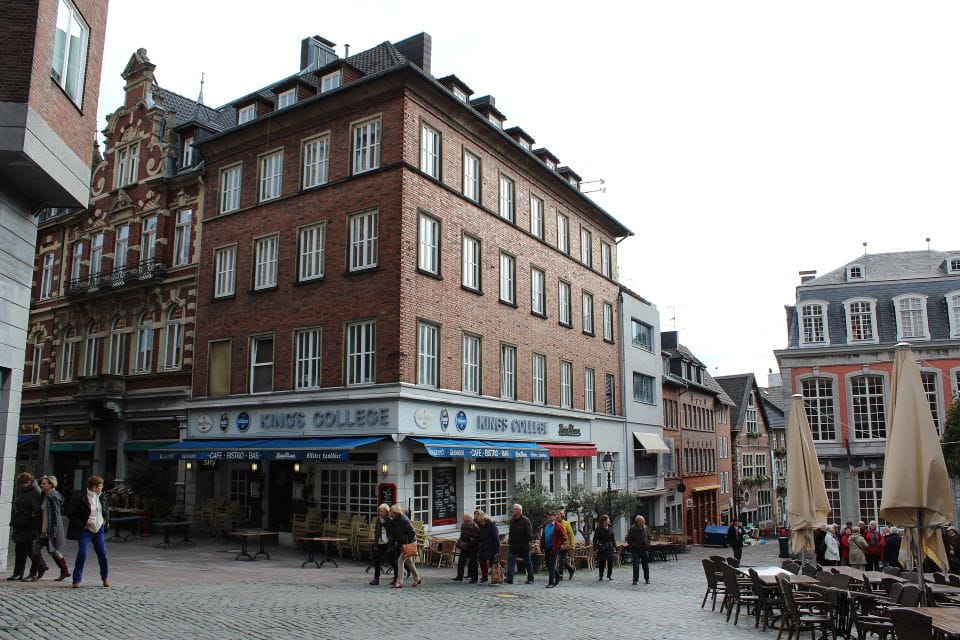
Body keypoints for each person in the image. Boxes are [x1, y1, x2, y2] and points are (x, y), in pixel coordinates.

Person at [66, 475, 110, 588]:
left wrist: (105, 521)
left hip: (99, 528)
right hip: (85, 529)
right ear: (94, 487)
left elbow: (105, 510)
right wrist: (82, 525)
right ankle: (77, 580)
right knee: (83, 553)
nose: (102, 487)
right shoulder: (80, 497)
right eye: (100, 486)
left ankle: (105, 578)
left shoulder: (101, 497)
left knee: (102, 553)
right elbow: (70, 513)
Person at [25, 475, 70, 582]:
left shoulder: (53, 496)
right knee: (36, 549)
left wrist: (53, 531)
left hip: (50, 530)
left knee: (54, 551)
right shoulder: (44, 495)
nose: (42, 485)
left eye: (44, 484)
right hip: (43, 529)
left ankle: (64, 571)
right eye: (42, 483)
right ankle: (33, 574)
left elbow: (55, 515)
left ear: (51, 485)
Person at [7, 472, 46, 581]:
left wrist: (31, 517)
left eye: (22, 484)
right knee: (29, 548)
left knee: (20, 547)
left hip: (29, 524)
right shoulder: (24, 491)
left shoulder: (35, 491)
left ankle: (18, 573)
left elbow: (38, 510)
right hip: (22, 523)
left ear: (28, 482)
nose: (20, 486)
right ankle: (42, 566)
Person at [388, 504, 419, 588]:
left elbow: (412, 533)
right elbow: (394, 533)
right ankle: (417, 578)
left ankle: (399, 582)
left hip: (409, 543)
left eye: (391, 512)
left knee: (400, 561)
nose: (390, 513)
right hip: (403, 543)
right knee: (410, 563)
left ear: (396, 512)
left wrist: (405, 542)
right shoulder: (395, 520)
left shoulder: (404, 520)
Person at [506, 503, 535, 585]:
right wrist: (510, 542)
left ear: (519, 511)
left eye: (515, 509)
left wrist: (521, 544)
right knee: (510, 561)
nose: (513, 510)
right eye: (513, 509)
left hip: (524, 546)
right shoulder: (512, 520)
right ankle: (509, 578)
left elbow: (529, 535)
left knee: (527, 562)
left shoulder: (526, 521)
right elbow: (511, 532)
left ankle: (531, 578)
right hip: (513, 546)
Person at [539, 511, 566, 588]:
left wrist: (558, 545)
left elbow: (563, 537)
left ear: (554, 517)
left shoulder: (558, 526)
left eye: (550, 516)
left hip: (554, 548)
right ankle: (558, 575)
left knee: (551, 564)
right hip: (546, 548)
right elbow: (543, 536)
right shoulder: (545, 525)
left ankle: (551, 582)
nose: (549, 517)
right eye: (548, 516)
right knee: (547, 564)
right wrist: (542, 546)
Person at [452, 513, 480, 583]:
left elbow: (476, 539)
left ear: (470, 520)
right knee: (461, 562)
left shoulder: (475, 527)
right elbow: (462, 535)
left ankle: (474, 578)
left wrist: (468, 543)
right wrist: (460, 542)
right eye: (464, 521)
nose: (465, 522)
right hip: (464, 547)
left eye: (466, 521)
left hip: (473, 548)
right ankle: (459, 576)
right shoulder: (463, 525)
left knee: (473, 563)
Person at [369, 504, 392, 585]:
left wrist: (385, 523)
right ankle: (376, 578)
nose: (380, 513)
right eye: (379, 511)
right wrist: (375, 543)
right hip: (380, 542)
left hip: (388, 543)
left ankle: (396, 577)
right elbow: (376, 532)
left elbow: (391, 531)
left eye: (382, 511)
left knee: (391, 560)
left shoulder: (390, 519)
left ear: (386, 512)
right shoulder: (378, 519)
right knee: (377, 560)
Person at [626, 515, 651, 585]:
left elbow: (649, 536)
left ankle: (647, 579)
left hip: (644, 549)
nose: (644, 521)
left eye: (644, 520)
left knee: (645, 565)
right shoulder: (633, 528)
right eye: (642, 521)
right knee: (636, 565)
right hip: (635, 550)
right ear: (638, 521)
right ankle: (635, 580)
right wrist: (634, 545)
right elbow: (628, 539)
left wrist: (648, 543)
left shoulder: (646, 527)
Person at [476, 511, 500, 583]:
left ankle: (495, 578)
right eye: (480, 522)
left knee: (493, 564)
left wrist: (497, 552)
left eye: (481, 521)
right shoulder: (482, 526)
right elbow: (480, 537)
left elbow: (496, 540)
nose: (480, 523)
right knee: (482, 561)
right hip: (484, 547)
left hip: (492, 548)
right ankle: (484, 577)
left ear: (485, 520)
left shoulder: (492, 526)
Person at [593, 514, 616, 581]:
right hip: (602, 547)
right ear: (604, 520)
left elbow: (613, 538)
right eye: (608, 519)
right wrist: (595, 548)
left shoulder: (610, 527)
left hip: (609, 547)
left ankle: (609, 575)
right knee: (601, 562)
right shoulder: (599, 528)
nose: (609, 520)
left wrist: (615, 546)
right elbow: (595, 539)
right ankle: (601, 575)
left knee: (611, 561)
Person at [556, 510, 576, 581]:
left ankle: (560, 576)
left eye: (558, 514)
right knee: (563, 560)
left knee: (561, 559)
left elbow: (571, 535)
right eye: (556, 514)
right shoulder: (555, 524)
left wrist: (573, 545)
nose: (557, 515)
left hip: (565, 545)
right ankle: (571, 570)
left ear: (562, 516)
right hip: (557, 544)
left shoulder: (566, 523)